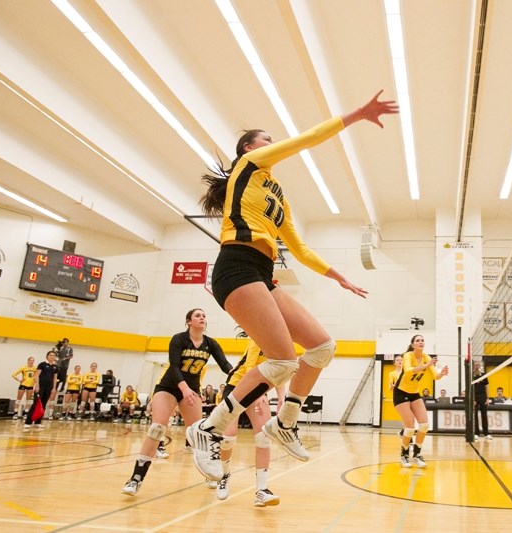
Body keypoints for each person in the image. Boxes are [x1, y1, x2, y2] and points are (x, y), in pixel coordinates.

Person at [187, 90, 398, 481]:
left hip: (263, 274)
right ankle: (208, 428)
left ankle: (285, 422)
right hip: (236, 266)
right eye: (266, 138)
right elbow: (308, 140)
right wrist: (356, 114)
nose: (272, 143)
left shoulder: (276, 194)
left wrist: (339, 277)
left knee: (321, 347)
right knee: (282, 360)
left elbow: (298, 249)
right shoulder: (249, 166)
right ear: (249, 147)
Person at [121, 308, 232, 496]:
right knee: (157, 428)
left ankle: (209, 473)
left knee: (200, 433)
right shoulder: (179, 339)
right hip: (169, 387)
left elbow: (225, 365)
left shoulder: (211, 344)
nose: (202, 318)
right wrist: (184, 388)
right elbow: (173, 366)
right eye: (198, 315)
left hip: (191, 390)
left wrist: (239, 378)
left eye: (204, 315)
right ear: (189, 321)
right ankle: (135, 479)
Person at [216, 340, 284, 506]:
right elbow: (249, 368)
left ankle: (262, 490)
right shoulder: (257, 338)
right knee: (228, 437)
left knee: (263, 437)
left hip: (258, 390)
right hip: (236, 386)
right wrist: (258, 394)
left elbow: (282, 372)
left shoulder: (283, 344)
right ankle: (223, 476)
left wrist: (282, 398)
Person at [392, 334, 449, 468]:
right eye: (418, 341)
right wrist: (426, 365)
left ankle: (417, 455)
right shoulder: (408, 355)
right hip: (401, 393)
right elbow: (408, 371)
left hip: (414, 393)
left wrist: (442, 373)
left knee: (424, 425)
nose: (421, 342)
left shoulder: (426, 357)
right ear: (413, 345)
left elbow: (435, 376)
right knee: (410, 427)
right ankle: (404, 455)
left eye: (422, 340)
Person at [24, 351, 58, 429]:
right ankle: (28, 422)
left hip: (49, 387)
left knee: (43, 404)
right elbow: (37, 376)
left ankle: (38, 422)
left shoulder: (55, 367)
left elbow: (55, 378)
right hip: (40, 386)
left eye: (53, 355)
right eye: (50, 355)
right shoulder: (42, 364)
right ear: (47, 356)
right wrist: (37, 386)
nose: (52, 356)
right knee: (36, 403)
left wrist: (54, 388)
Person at [472, 362, 492, 440]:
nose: (477, 367)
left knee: (484, 415)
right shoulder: (472, 376)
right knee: (475, 415)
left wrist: (487, 398)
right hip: (475, 397)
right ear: (473, 366)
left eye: (478, 365)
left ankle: (486, 433)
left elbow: (487, 387)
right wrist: (472, 399)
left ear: (480, 366)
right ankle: (476, 433)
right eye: (475, 365)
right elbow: (470, 389)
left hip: (483, 397)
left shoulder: (484, 375)